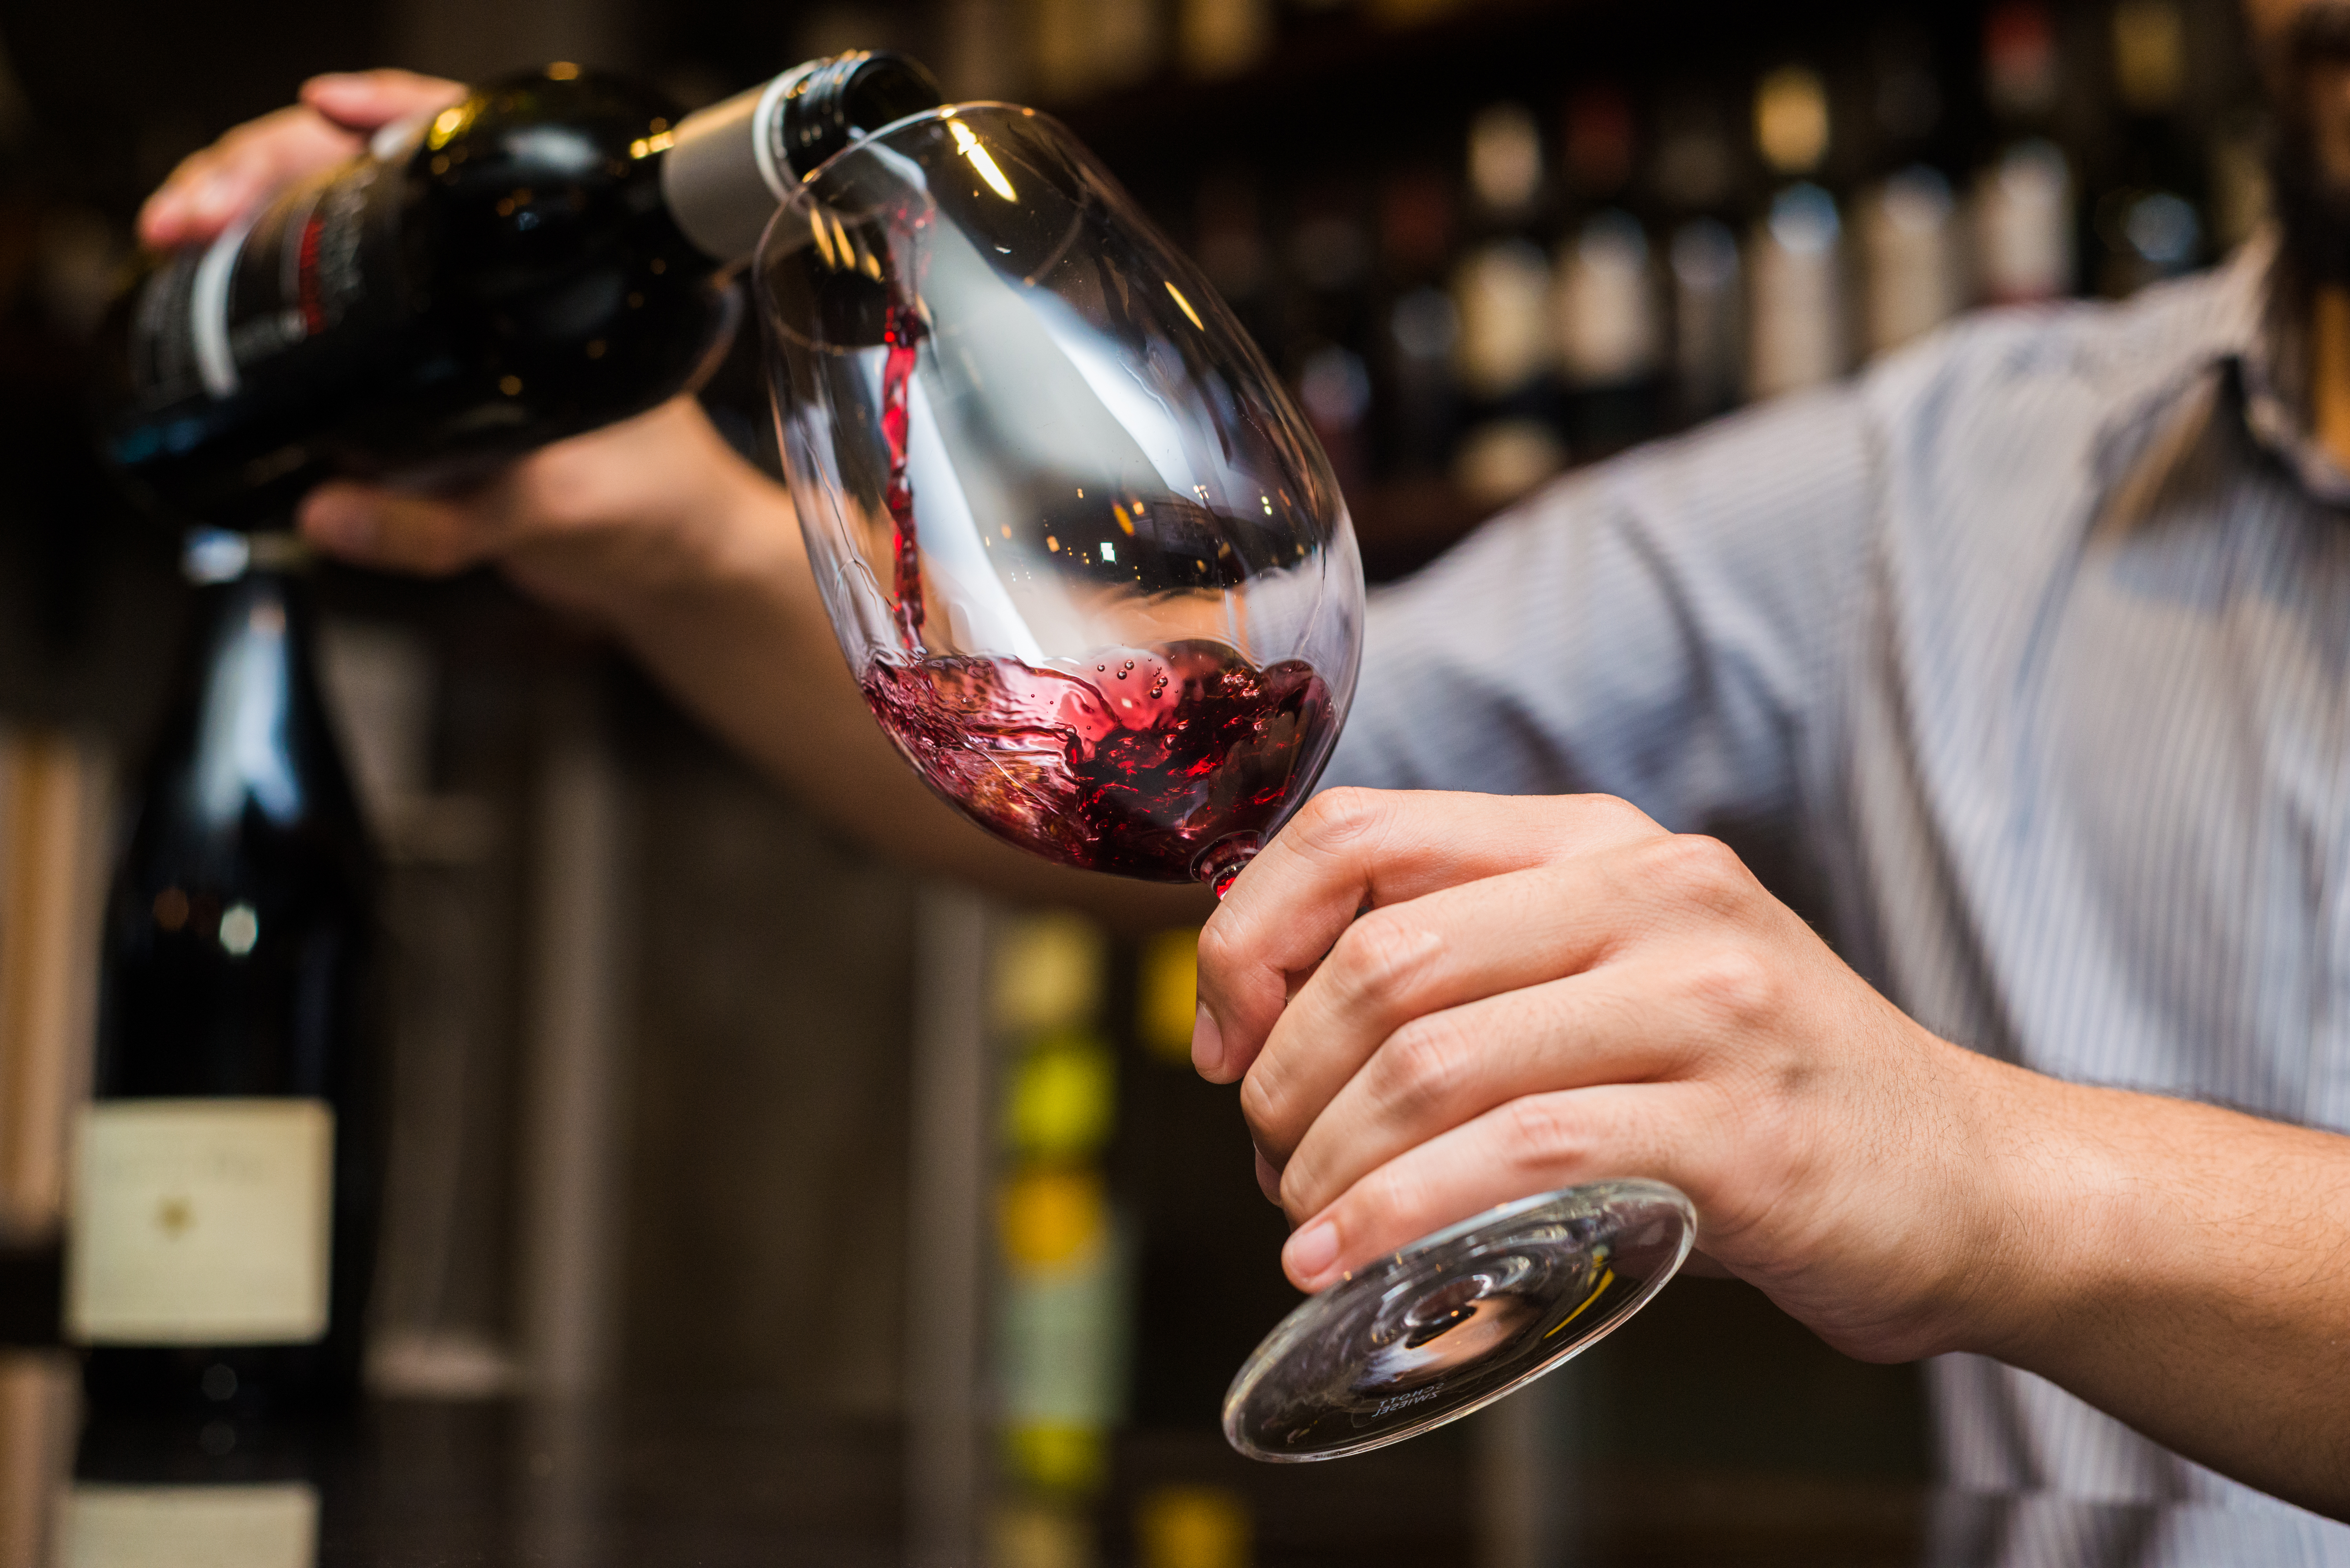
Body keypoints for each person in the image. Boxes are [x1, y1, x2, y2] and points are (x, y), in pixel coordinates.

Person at [139, 0, 2350, 1530]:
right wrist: (662, 519)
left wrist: (1983, 1174)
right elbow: (1235, 718)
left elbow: (1952, 1163)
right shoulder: (1950, 480)